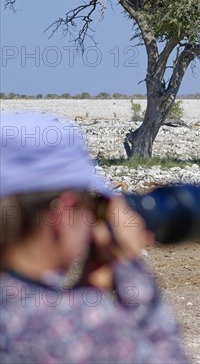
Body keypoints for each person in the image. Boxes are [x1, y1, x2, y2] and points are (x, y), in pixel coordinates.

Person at [0, 112, 190, 363]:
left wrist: (85, 290)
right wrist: (127, 263)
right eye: (90, 206)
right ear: (63, 214)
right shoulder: (78, 332)